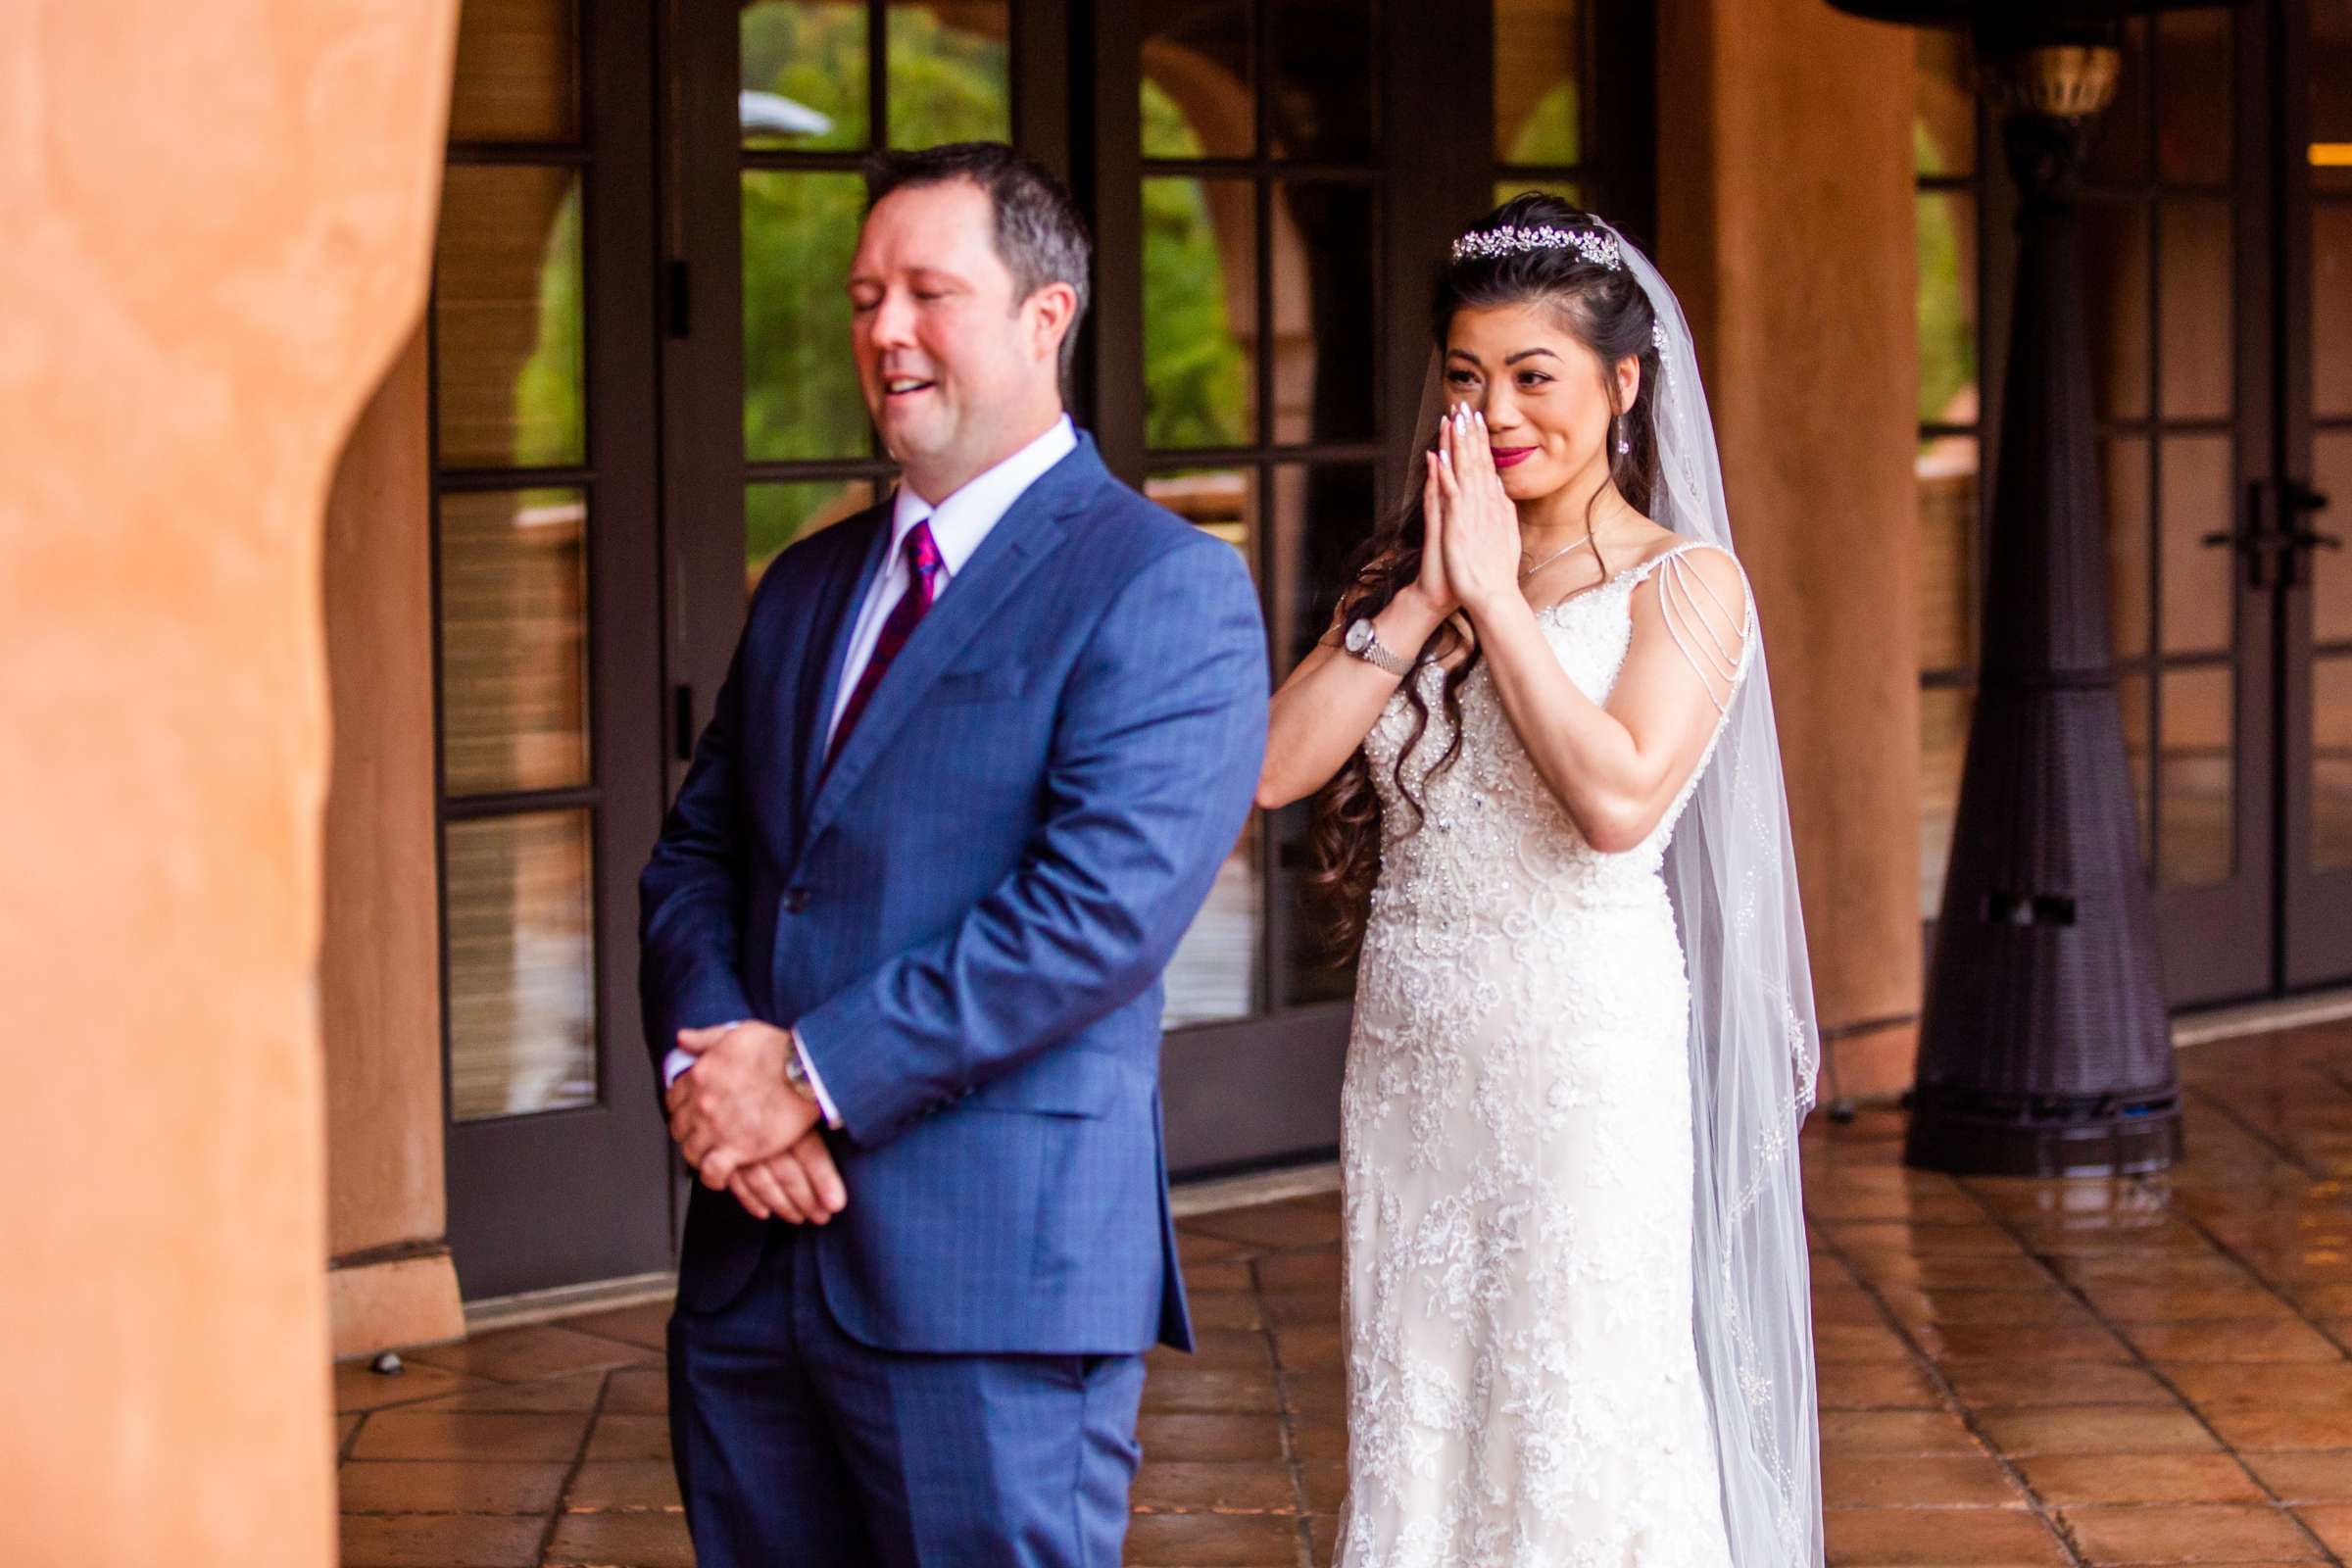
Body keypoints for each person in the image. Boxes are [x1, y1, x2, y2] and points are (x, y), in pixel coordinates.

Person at [639, 141, 1268, 1567]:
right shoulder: (806, 581)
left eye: (930, 291)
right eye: (867, 297)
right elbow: (697, 857)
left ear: (1047, 316)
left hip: (992, 1282)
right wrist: (708, 1073)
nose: (883, 331)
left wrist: (803, 1078)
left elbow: (1091, 921)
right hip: (753, 1266)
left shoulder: (1163, 586)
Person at [1257, 194, 1825, 1566]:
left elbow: (1619, 799)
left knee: (1572, 1403)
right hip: (1413, 1062)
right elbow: (1269, 769)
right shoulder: (1423, 572)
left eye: (1533, 375)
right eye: (1468, 376)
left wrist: (1501, 603)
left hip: (1583, 1065)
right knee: (1421, 1407)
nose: (1497, 411)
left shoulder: (1688, 585)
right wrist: (1431, 596)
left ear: (1623, 384)